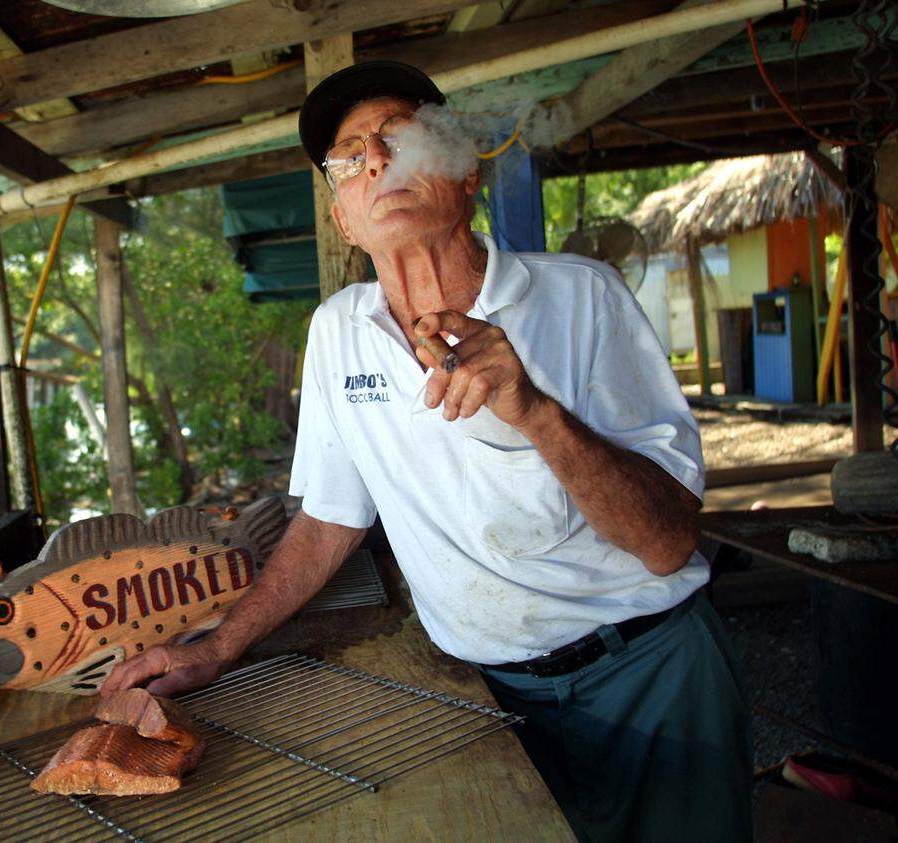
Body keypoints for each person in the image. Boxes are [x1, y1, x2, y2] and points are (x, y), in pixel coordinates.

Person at [101, 61, 751, 842]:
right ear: (343, 217)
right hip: (488, 693)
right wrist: (216, 648)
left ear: (464, 172)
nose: (375, 160)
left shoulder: (583, 297)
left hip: (648, 675)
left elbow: (668, 542)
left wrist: (535, 410)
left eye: (398, 138)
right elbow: (329, 521)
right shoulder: (338, 333)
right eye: (349, 157)